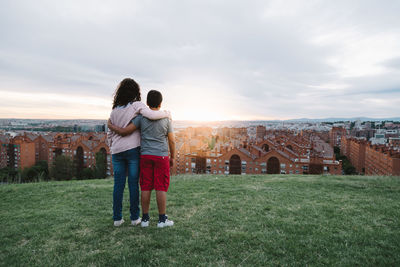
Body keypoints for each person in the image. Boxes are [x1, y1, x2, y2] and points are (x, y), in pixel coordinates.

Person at [108, 90, 175, 228]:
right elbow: (172, 141)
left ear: (147, 103)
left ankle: (144, 219)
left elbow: (126, 131)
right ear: (160, 103)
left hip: (145, 156)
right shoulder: (167, 119)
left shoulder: (140, 118)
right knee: (160, 187)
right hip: (161, 156)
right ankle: (162, 220)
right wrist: (172, 156)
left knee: (145, 186)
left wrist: (110, 125)